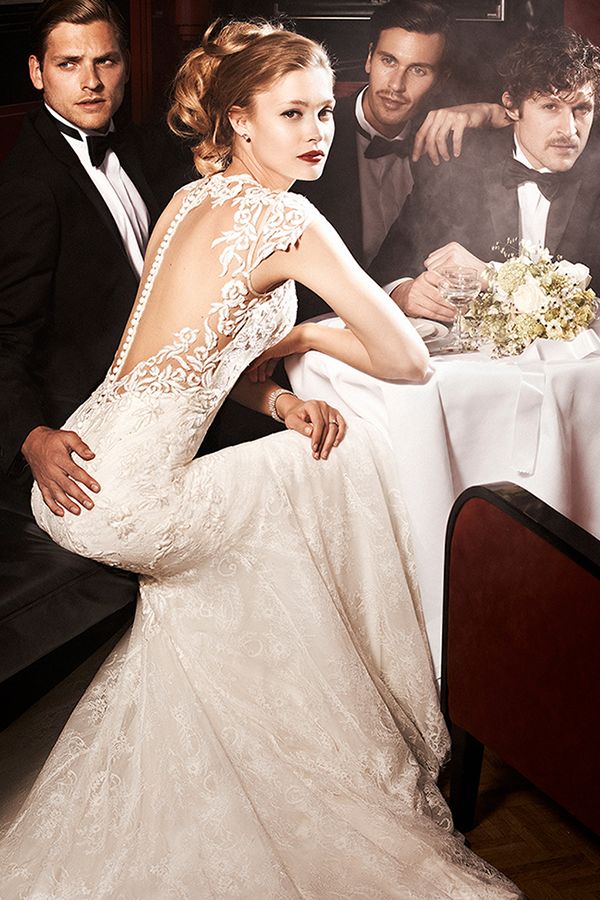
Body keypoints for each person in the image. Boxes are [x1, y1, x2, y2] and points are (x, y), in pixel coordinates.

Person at [0, 20, 521, 898]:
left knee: (286, 478)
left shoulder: (188, 201)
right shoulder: (288, 215)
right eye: (292, 114)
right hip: (123, 498)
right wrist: (311, 328)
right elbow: (408, 359)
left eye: (324, 111)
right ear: (240, 118)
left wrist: (279, 393)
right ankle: (331, 742)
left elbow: (190, 365)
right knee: (329, 472)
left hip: (83, 478)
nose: (317, 131)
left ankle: (251, 735)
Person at [0, 0, 190, 519]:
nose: (91, 82)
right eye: (68, 64)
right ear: (37, 73)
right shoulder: (26, 186)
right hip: (94, 420)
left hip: (176, 389)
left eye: (105, 62)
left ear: (125, 66)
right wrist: (32, 437)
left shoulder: (140, 145)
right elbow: (6, 335)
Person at [293, 0, 509, 321]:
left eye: (418, 70)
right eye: (388, 61)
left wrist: (486, 113)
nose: (396, 85)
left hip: (418, 332)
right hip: (319, 326)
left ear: (440, 79)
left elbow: (549, 129)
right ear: (369, 59)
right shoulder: (313, 133)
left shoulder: (448, 138)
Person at [370, 26, 600, 310]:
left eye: (582, 109)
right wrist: (403, 293)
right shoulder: (454, 171)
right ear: (512, 108)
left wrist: (493, 276)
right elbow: (385, 271)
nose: (569, 130)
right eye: (550, 107)